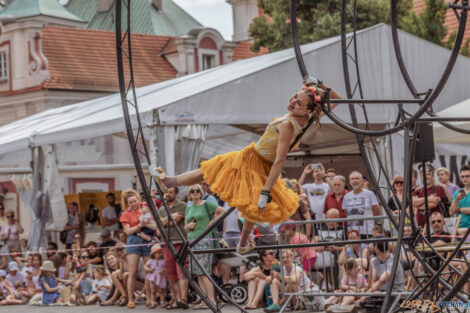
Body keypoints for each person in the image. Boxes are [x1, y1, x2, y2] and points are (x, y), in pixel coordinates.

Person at [153, 82, 341, 254]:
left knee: (221, 179)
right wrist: (320, 84)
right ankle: (242, 243)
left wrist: (266, 191)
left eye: (299, 103)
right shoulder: (307, 118)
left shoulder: (288, 125)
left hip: (256, 162)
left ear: (307, 109)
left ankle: (242, 242)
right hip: (253, 158)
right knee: (215, 174)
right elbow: (337, 99)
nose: (293, 102)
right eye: (294, 97)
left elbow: (280, 160)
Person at [185, 184, 225, 309]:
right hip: (192, 240)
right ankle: (204, 300)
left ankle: (212, 300)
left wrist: (213, 222)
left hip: (204, 239)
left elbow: (223, 211)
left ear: (201, 192)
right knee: (197, 273)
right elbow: (185, 227)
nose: (195, 192)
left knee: (205, 271)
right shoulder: (189, 207)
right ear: (189, 193)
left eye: (198, 190)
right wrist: (189, 226)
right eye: (193, 190)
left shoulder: (207, 204)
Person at [119, 189, 156, 309]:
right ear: (127, 204)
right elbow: (128, 231)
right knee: (133, 272)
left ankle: (150, 298)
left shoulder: (144, 210)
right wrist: (139, 225)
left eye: (135, 201)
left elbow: (153, 225)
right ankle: (130, 299)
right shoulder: (126, 214)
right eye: (130, 202)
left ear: (138, 200)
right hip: (133, 240)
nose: (133, 204)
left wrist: (146, 224)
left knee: (148, 271)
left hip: (146, 239)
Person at [157, 186, 188, 309]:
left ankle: (183, 298)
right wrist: (169, 218)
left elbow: (175, 220)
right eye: (166, 192)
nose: (167, 194)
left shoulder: (182, 206)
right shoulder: (162, 209)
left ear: (176, 194)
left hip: (179, 241)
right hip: (166, 243)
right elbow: (159, 226)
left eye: (170, 192)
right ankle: (176, 299)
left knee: (181, 271)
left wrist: (165, 222)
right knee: (171, 273)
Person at [342, 171, 381, 238]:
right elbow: (346, 213)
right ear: (350, 181)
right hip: (352, 233)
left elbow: (376, 211)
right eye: (352, 179)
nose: (355, 181)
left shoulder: (370, 194)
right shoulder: (346, 196)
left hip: (367, 231)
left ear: (362, 181)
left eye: (357, 178)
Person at [144, 244, 166, 309]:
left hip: (160, 277)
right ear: (154, 254)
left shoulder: (163, 261)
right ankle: (153, 303)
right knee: (153, 291)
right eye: (158, 253)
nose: (160, 254)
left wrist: (163, 270)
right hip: (152, 277)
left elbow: (166, 267)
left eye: (161, 253)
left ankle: (162, 302)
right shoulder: (151, 261)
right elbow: (145, 266)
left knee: (161, 291)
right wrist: (149, 269)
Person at [450, 165, 470, 233]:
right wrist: (457, 200)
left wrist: (458, 209)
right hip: (458, 229)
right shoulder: (457, 192)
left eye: (467, 176)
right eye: (462, 177)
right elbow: (451, 212)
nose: (465, 179)